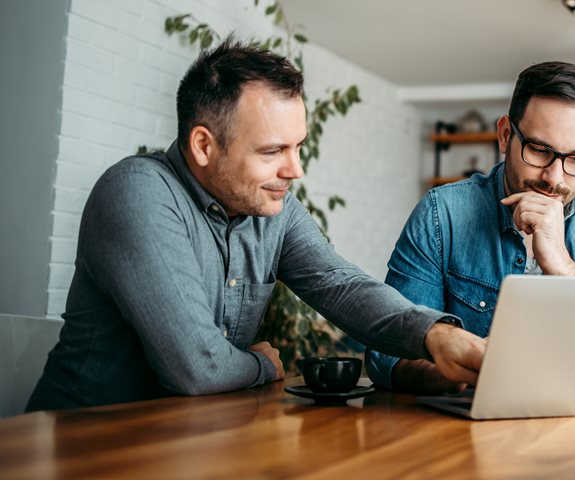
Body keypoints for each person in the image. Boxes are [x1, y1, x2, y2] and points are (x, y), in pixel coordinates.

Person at [26, 40, 485, 412]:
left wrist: (434, 334)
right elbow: (197, 368)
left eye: (298, 147)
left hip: (190, 441)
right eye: (272, 152)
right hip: (81, 445)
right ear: (204, 145)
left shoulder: (275, 209)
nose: (295, 170)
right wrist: (262, 365)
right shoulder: (136, 191)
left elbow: (340, 285)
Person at [366, 61, 575, 394]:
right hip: (468, 425)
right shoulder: (441, 214)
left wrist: (561, 265)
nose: (554, 178)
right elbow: (385, 358)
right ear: (505, 135)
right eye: (538, 150)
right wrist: (457, 371)